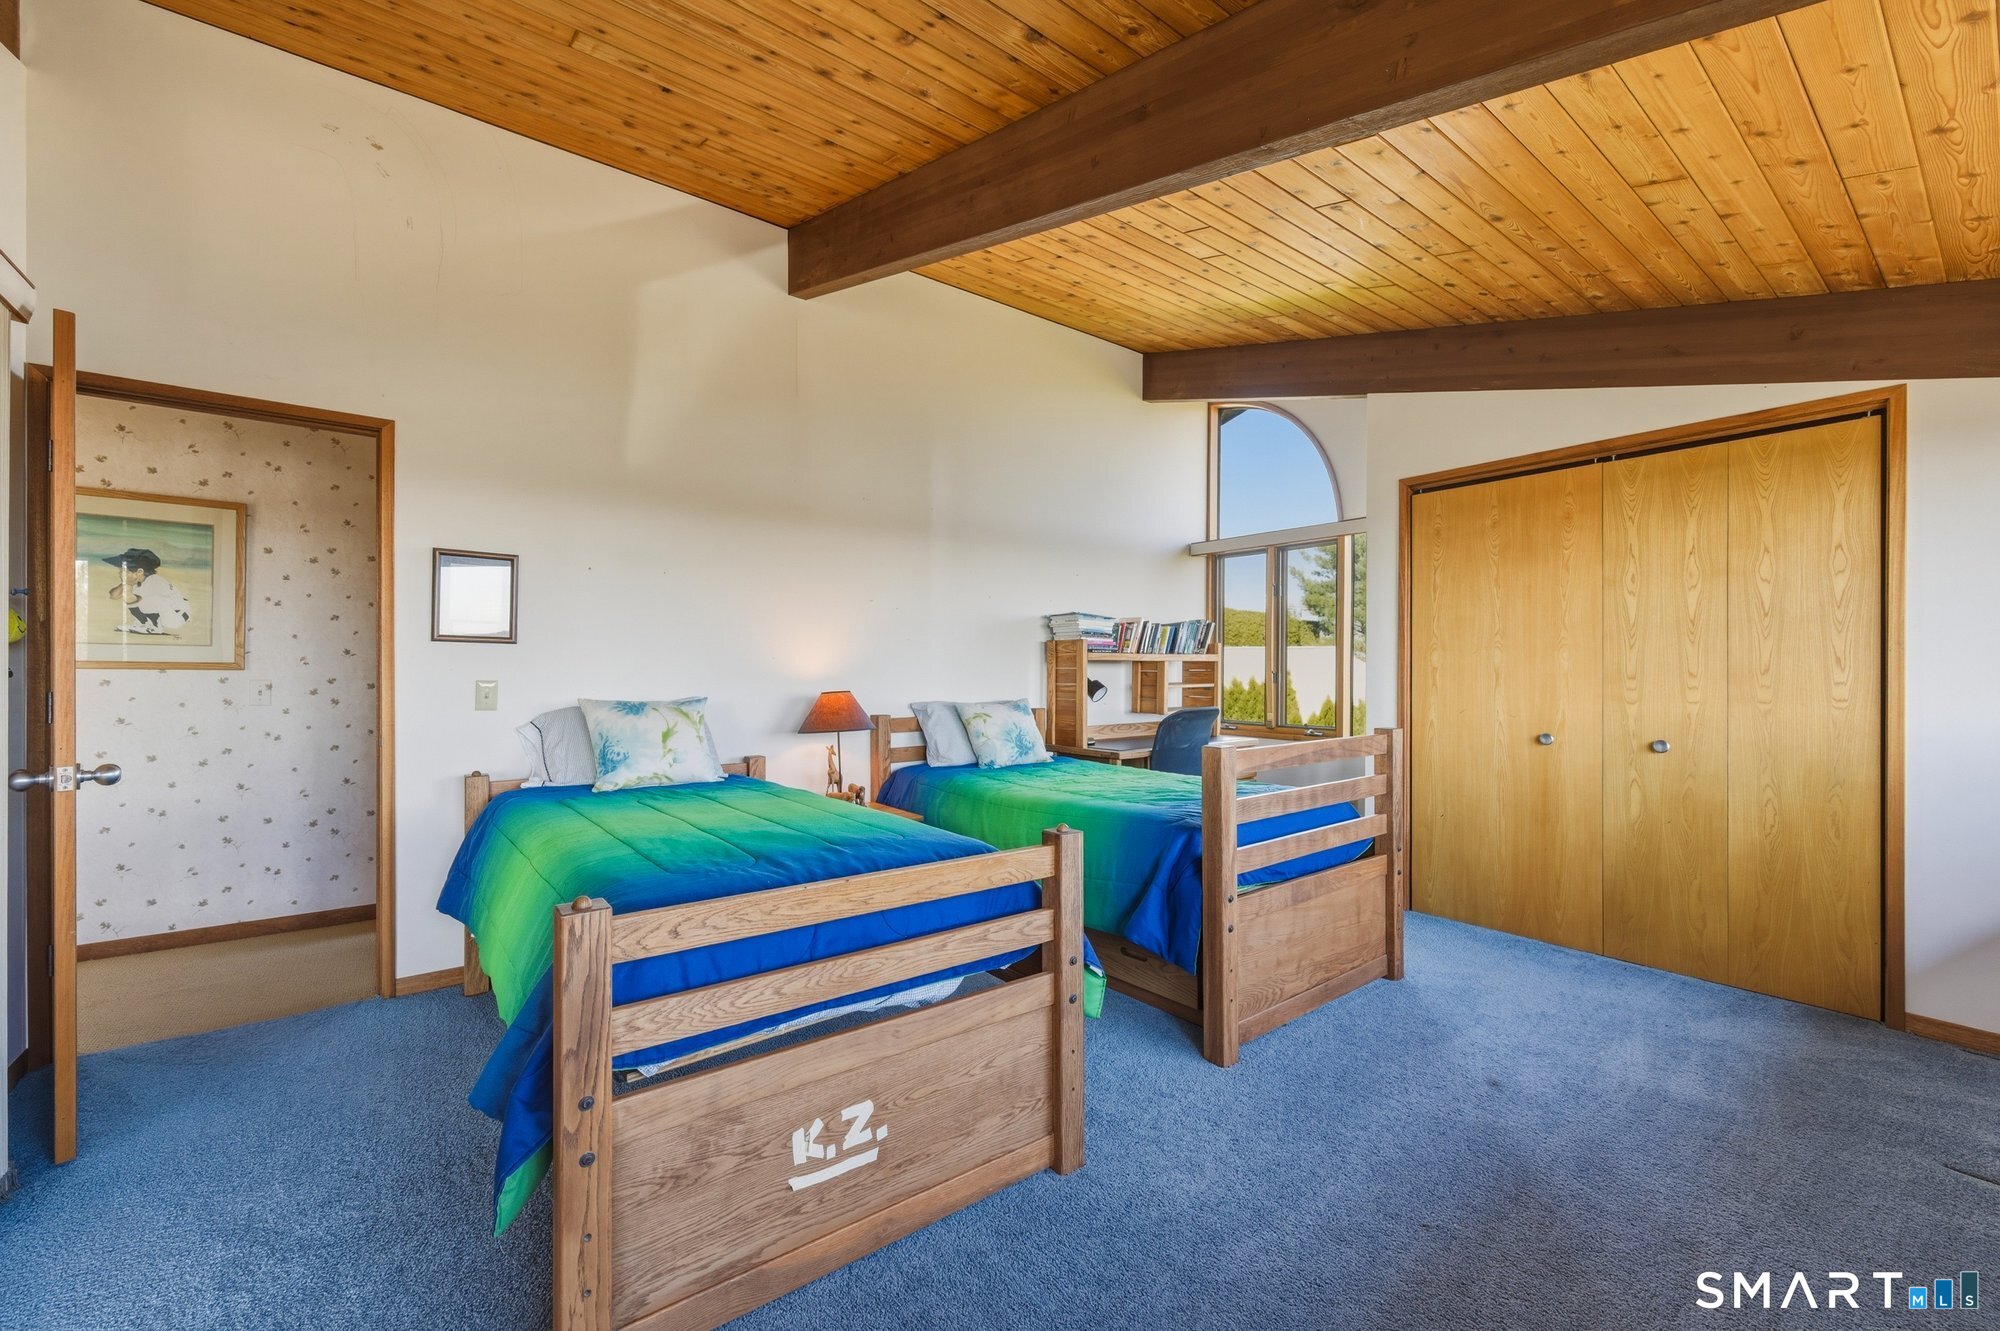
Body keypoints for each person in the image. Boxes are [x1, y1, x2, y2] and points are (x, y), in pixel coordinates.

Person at [104, 547, 193, 636]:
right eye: (120, 570)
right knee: (133, 598)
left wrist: (128, 587)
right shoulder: (138, 581)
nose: (120, 573)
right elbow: (113, 596)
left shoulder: (153, 581)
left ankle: (155, 627)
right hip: (168, 613)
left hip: (177, 617)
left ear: (140, 572)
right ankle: (142, 624)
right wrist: (124, 583)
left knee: (143, 600)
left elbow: (137, 600)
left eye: (123, 570)